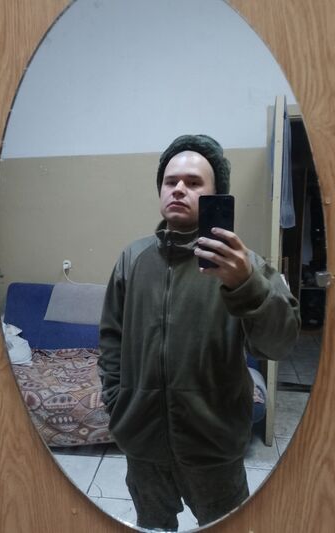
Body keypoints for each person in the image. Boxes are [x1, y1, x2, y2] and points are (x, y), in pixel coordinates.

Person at [98, 134, 300, 531]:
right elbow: (111, 337)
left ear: (215, 197)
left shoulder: (243, 263)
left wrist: (246, 283)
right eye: (170, 181)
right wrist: (118, 403)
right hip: (143, 447)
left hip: (214, 448)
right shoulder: (133, 259)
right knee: (153, 526)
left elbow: (278, 344)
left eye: (193, 183)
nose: (178, 189)